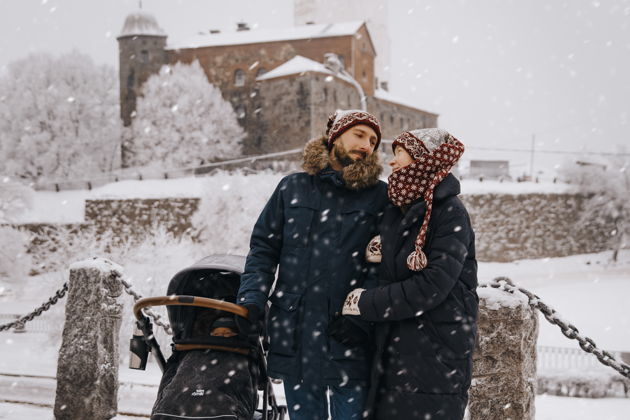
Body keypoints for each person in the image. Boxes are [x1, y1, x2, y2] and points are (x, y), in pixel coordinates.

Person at [237, 110, 389, 420]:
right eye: (359, 135)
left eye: (373, 140)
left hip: (349, 335)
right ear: (334, 137)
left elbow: (384, 266)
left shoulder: (379, 196)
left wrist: (361, 316)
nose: (367, 145)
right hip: (296, 331)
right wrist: (252, 299)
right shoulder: (291, 188)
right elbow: (264, 250)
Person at [342, 128, 478, 419]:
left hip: (434, 355)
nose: (391, 163)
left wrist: (364, 303)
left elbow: (432, 284)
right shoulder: (399, 209)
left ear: (422, 160)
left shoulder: (449, 212)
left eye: (399, 155)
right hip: (396, 351)